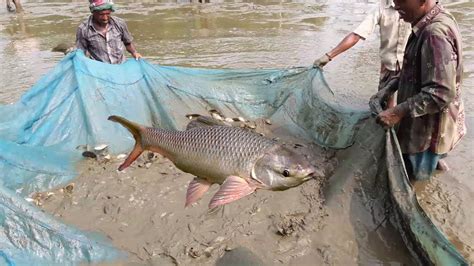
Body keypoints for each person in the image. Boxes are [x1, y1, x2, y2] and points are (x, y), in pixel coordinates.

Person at [370, 0, 466, 180]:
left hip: (427, 134)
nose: (396, 5)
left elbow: (441, 92)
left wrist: (397, 112)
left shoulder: (433, 33)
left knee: (413, 178)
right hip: (433, 125)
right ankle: (437, 166)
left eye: (401, 0)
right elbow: (414, 70)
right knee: (427, 164)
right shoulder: (429, 21)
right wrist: (389, 87)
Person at [314, 0, 411, 107]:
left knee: (409, 105)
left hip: (412, 66)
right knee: (385, 104)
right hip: (389, 66)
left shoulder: (417, 6)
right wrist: (328, 56)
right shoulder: (381, 7)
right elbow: (357, 34)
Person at [76, 0, 141, 64]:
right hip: (98, 68)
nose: (105, 18)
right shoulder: (83, 29)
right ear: (93, 12)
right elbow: (81, 52)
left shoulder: (120, 23)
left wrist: (134, 53)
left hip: (120, 66)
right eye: (101, 14)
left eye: (108, 14)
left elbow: (127, 43)